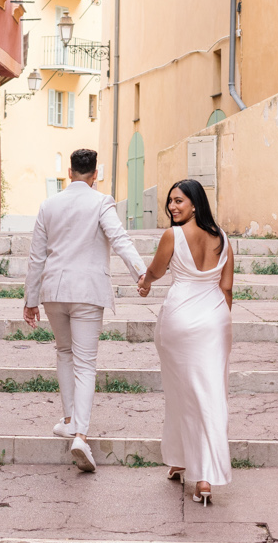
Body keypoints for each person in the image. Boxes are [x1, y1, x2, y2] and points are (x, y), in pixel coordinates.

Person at [22, 147, 147, 472]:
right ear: (94, 175)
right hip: (88, 291)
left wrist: (30, 299)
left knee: (64, 352)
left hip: (54, 290)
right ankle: (80, 434)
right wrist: (141, 272)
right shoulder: (101, 201)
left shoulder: (49, 205)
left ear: (69, 172)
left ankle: (68, 419)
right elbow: (119, 239)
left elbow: (37, 256)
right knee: (86, 363)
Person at [139, 178, 233, 506]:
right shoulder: (222, 238)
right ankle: (183, 462)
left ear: (195, 203)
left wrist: (145, 282)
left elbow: (156, 270)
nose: (172, 207)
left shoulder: (173, 235)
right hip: (215, 320)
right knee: (209, 394)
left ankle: (201, 475)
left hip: (179, 319)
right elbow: (227, 288)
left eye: (179, 201)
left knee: (182, 392)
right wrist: (220, 324)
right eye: (170, 201)